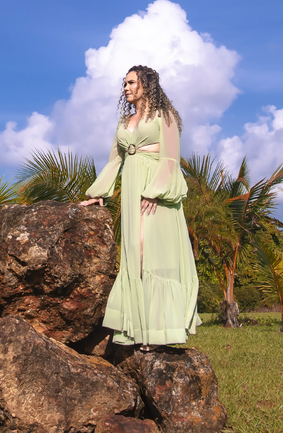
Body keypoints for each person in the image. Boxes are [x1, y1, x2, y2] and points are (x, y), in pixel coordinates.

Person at [79, 65, 201, 349]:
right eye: (124, 83)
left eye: (131, 82)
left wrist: (156, 191)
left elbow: (171, 158)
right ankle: (136, 331)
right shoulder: (125, 121)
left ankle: (157, 332)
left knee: (152, 253)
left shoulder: (164, 116)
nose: (126, 88)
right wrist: (100, 194)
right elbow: (114, 160)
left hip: (155, 190)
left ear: (146, 84)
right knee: (135, 254)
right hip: (133, 189)